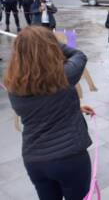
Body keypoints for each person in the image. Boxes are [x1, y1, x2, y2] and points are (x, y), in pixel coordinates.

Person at [4, 27, 94, 200]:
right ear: (50, 48)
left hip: (34, 160)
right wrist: (54, 43)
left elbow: (41, 108)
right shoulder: (63, 75)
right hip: (69, 157)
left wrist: (74, 108)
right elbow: (79, 55)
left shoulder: (13, 84)